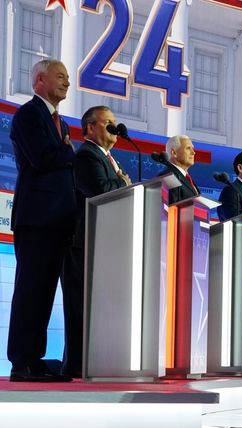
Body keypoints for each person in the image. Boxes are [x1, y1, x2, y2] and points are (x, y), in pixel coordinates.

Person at [7, 59, 76, 382]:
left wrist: (64, 149)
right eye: (60, 76)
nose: (67, 82)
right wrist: (68, 153)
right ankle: (21, 360)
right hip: (36, 217)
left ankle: (34, 357)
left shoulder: (61, 125)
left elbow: (58, 155)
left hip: (57, 219)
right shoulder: (29, 115)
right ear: (39, 80)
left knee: (45, 292)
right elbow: (43, 157)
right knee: (30, 289)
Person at [67, 106, 131, 377]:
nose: (114, 128)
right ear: (90, 127)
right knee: (80, 307)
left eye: (114, 123)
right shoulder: (86, 155)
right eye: (108, 123)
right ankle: (78, 365)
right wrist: (123, 182)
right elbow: (100, 191)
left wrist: (123, 182)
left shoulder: (107, 157)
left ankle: (95, 362)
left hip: (102, 242)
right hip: (83, 241)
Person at [160, 135, 198, 204]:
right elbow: (170, 209)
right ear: (174, 153)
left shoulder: (186, 178)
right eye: (188, 148)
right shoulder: (168, 176)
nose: (193, 152)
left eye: (192, 148)